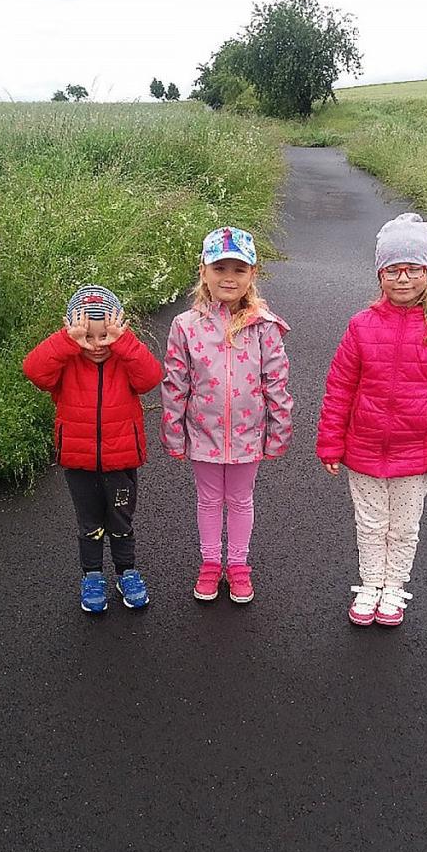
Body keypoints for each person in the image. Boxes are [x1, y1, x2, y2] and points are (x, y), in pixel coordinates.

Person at [316, 213, 427, 626]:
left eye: (413, 269)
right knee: (370, 525)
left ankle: (394, 587)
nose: (403, 279)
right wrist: (331, 442)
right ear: (380, 274)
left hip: (416, 454)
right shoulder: (360, 326)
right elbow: (340, 388)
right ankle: (370, 584)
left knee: (403, 528)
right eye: (393, 270)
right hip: (363, 448)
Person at [161, 226, 293, 604]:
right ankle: (209, 562)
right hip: (203, 432)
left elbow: (276, 383)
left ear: (253, 273)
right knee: (207, 499)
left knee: (240, 499)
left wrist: (278, 432)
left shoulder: (264, 326)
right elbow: (175, 383)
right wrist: (174, 433)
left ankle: (237, 564)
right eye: (220, 268)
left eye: (239, 269)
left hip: (248, 434)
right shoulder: (186, 326)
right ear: (203, 271)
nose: (229, 278)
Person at [23, 284, 163, 614]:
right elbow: (34, 370)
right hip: (79, 461)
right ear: (72, 331)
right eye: (88, 336)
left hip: (121, 460)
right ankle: (92, 576)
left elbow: (150, 378)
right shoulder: (66, 361)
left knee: (121, 520)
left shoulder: (124, 358)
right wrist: (66, 341)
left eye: (105, 336)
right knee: (90, 524)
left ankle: (127, 572)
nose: (97, 345)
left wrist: (123, 342)